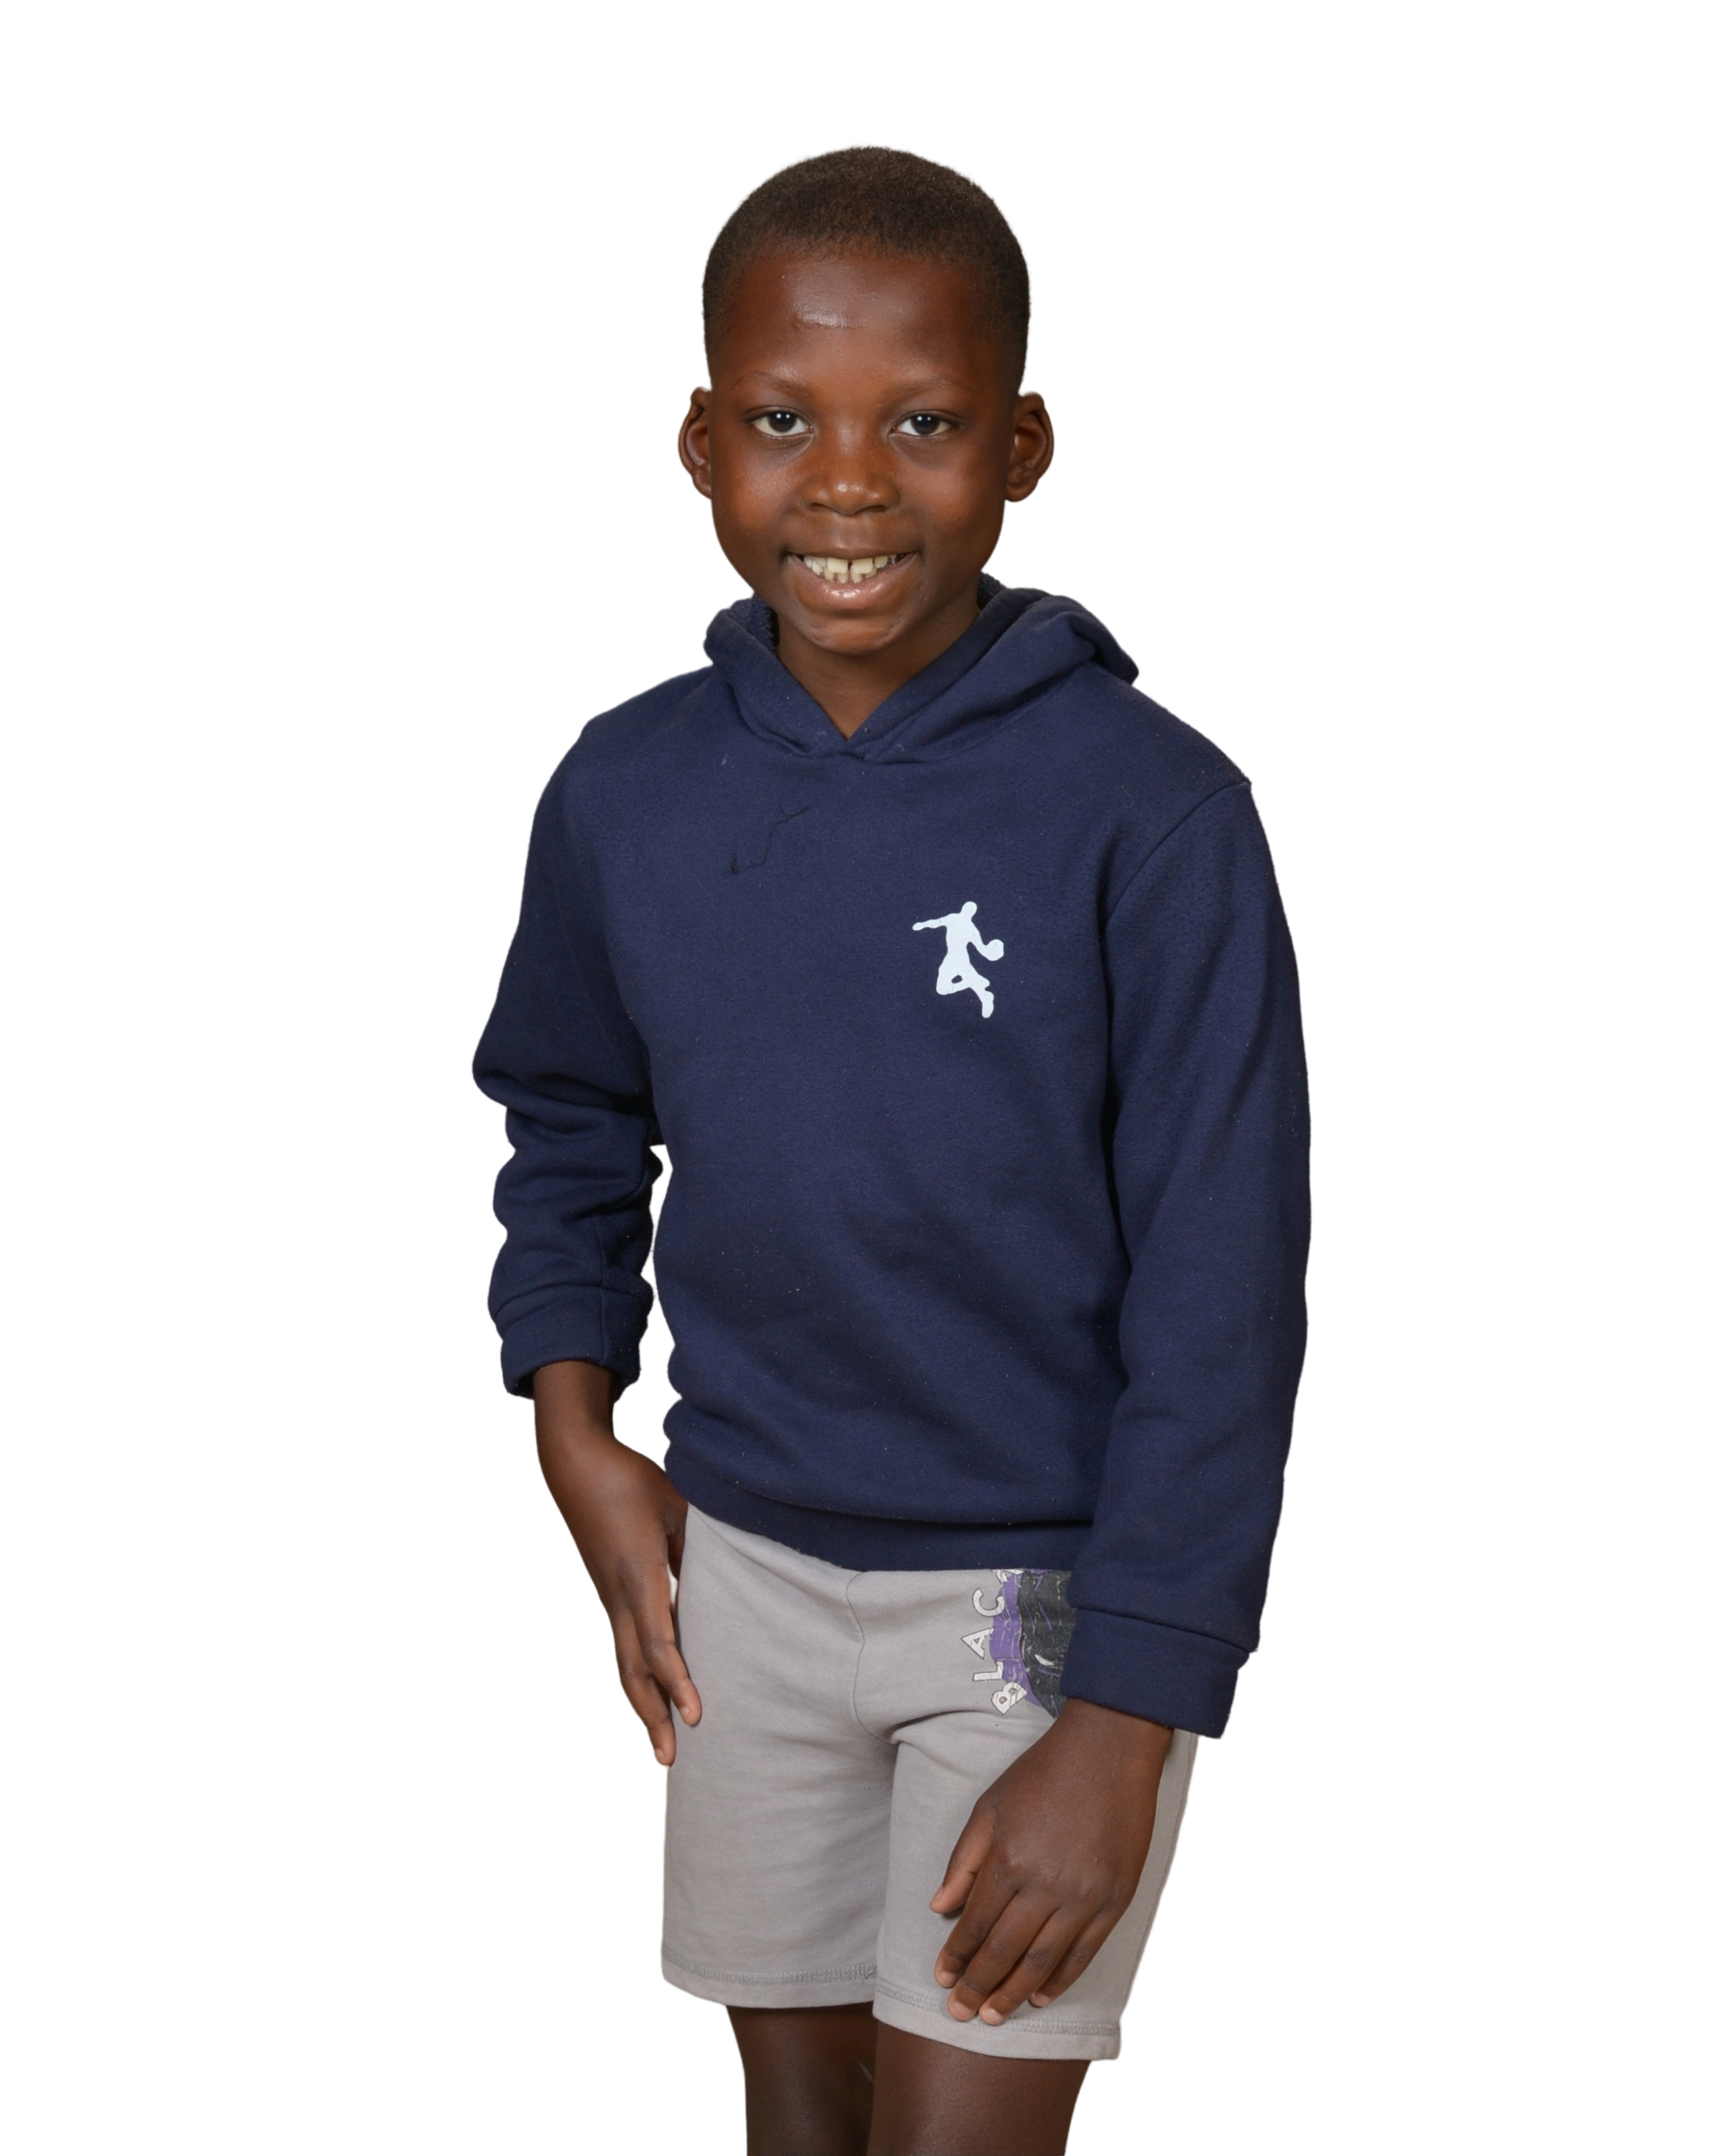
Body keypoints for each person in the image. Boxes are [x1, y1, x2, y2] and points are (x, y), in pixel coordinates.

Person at [469, 139, 1312, 2156]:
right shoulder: (624, 788)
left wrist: (1130, 1714)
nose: (848, 483)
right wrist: (575, 1429)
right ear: (701, 443)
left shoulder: (1156, 813)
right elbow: (568, 1119)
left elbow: (1227, 1287)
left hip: (1036, 1614)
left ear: (1024, 447)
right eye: (786, 421)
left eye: (921, 423)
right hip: (741, 1587)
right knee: (801, 2124)